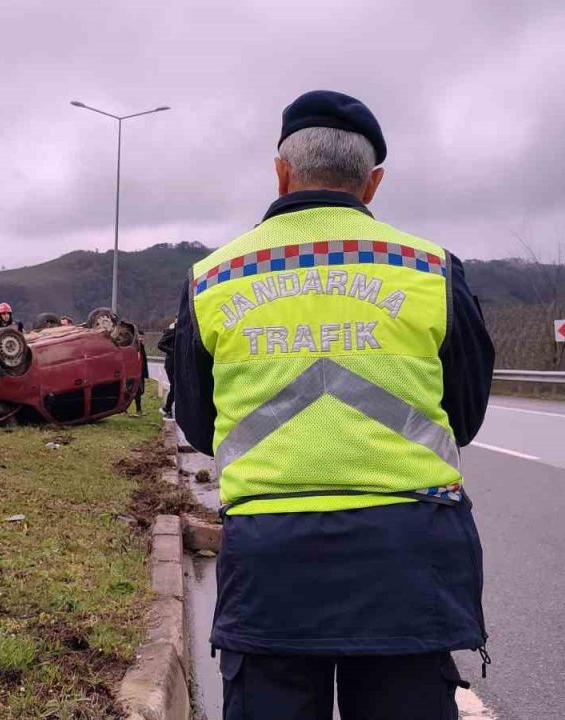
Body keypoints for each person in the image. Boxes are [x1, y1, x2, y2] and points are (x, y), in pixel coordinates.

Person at [173, 90, 494, 719]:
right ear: (372, 184)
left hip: (269, 556)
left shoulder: (213, 277)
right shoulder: (430, 269)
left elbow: (199, 422)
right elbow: (465, 411)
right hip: (408, 552)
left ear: (281, 171)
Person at [157, 318, 177, 418]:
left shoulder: (184, 331)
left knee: (180, 387)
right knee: (175, 386)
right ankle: (167, 409)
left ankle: (170, 409)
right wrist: (173, 351)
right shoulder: (172, 331)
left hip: (180, 364)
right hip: (171, 364)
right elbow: (160, 344)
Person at [133, 334, 150, 415]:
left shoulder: (141, 347)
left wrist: (145, 373)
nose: (141, 339)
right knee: (137, 391)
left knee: (140, 391)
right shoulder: (133, 347)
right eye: (140, 337)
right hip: (134, 373)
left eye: (142, 337)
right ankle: (138, 410)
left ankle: (138, 410)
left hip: (141, 372)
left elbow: (144, 361)